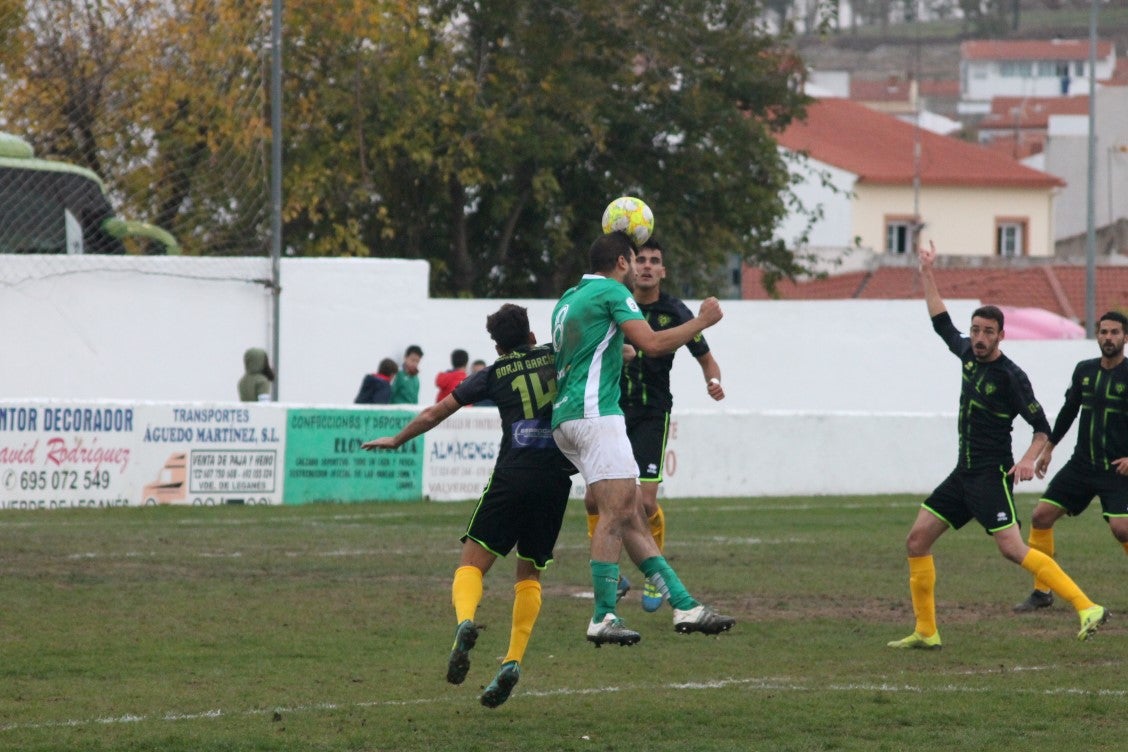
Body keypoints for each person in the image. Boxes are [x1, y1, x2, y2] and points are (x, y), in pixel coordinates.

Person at [888, 241, 1107, 650]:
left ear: (1001, 335)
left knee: (1012, 550)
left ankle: (1087, 606)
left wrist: (1027, 459)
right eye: (975, 330)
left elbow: (1042, 427)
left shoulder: (1011, 376)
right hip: (963, 474)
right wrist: (927, 271)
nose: (979, 338)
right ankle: (926, 630)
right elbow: (939, 320)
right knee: (917, 540)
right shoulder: (967, 355)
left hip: (991, 475)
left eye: (988, 332)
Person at [363, 304, 573, 709]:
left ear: (497, 346)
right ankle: (512, 660)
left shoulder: (492, 374)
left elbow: (437, 411)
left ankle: (464, 622)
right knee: (528, 572)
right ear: (531, 336)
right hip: (554, 479)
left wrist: (397, 439)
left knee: (470, 565)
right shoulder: (555, 354)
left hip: (512, 475)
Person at [550, 230, 734, 646]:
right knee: (616, 517)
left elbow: (580, 353)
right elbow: (651, 344)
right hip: (599, 416)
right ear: (620, 263)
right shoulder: (615, 294)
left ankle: (685, 605)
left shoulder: (568, 298)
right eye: (634, 260)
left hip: (567, 419)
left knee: (631, 513)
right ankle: (602, 614)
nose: (639, 268)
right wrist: (702, 321)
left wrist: (618, 351)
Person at [582, 237, 725, 612]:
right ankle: (612, 577)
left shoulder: (675, 312)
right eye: (640, 259)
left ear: (663, 271)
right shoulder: (615, 303)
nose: (646, 265)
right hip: (611, 411)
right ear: (628, 265)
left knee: (643, 503)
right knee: (592, 500)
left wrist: (714, 380)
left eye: (654, 261)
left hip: (650, 414)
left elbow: (706, 358)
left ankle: (652, 574)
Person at [1013, 310, 1128, 613]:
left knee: (1122, 529)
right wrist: (1048, 448)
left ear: (1125, 338)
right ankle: (1041, 592)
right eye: (1103, 332)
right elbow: (1069, 411)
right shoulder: (1084, 370)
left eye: (1115, 332)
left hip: (1116, 468)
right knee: (1041, 516)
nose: (1108, 337)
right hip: (1082, 464)